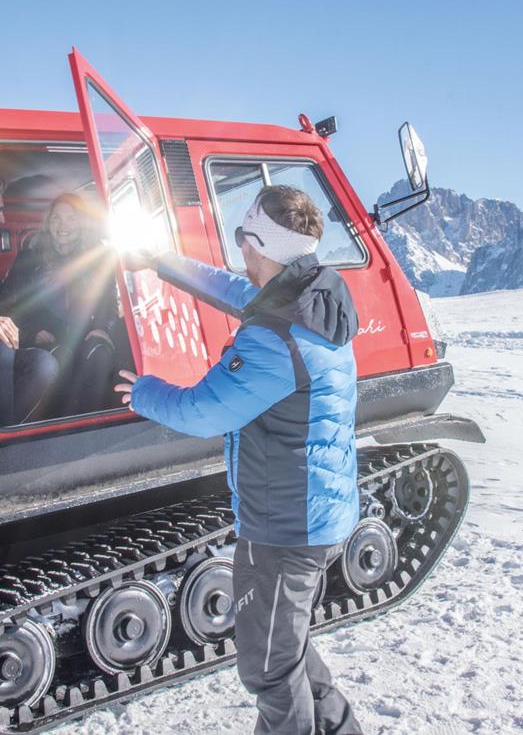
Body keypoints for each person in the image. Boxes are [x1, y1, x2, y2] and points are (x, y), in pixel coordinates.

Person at [115, 185, 364, 735]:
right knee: (287, 650)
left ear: (265, 246)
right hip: (312, 509)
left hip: (285, 527)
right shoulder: (313, 295)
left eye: (245, 242)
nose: (240, 254)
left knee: (270, 668)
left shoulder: (275, 341)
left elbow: (205, 411)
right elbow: (240, 292)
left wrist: (144, 392)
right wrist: (163, 263)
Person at [0, 192, 118, 416]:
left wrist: (102, 328)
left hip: (81, 333)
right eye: (56, 218)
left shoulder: (99, 257)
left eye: (71, 218)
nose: (63, 225)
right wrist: (30, 333)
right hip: (40, 336)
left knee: (99, 354)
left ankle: (88, 429)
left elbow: (109, 301)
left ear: (82, 222)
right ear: (48, 223)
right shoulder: (29, 258)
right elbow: (8, 304)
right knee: (55, 358)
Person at [0, 179, 59, 425]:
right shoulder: (28, 260)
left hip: (42, 334)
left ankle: (11, 435)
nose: (3, 220)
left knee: (43, 364)